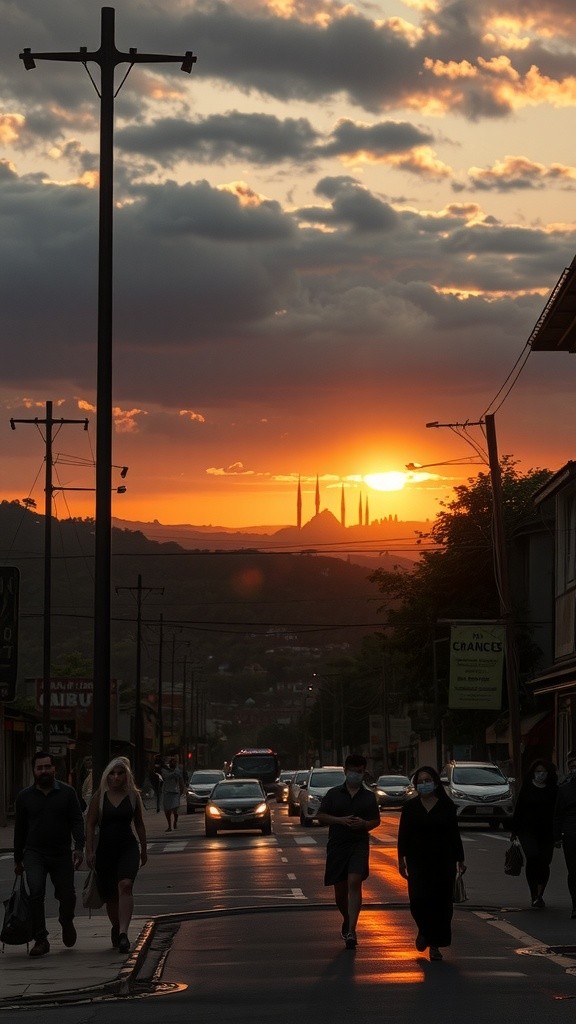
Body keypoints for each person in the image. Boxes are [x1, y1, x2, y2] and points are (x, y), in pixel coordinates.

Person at [13, 750, 85, 958]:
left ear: (54, 769)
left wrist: (79, 847)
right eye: (39, 768)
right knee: (36, 893)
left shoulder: (67, 792)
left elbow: (76, 820)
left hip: (61, 853)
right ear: (34, 771)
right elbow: (20, 830)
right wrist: (18, 860)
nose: (43, 771)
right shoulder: (24, 797)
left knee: (67, 895)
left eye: (47, 767)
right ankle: (41, 939)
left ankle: (66, 921)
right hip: (34, 853)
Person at [397, 765, 465, 962]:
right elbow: (403, 835)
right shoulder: (410, 808)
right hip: (417, 861)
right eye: (420, 781)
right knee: (418, 900)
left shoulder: (446, 806)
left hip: (444, 861)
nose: (424, 784)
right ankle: (424, 930)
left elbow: (454, 834)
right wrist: (401, 859)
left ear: (435, 783)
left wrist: (460, 859)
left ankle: (434, 945)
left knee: (441, 904)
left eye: (427, 780)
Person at [317, 753, 380, 949]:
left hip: (358, 843)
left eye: (360, 772)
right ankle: (347, 918)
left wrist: (364, 824)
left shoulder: (369, 797)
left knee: (354, 881)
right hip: (337, 845)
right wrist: (340, 820)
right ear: (346, 771)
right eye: (353, 771)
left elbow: (375, 820)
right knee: (340, 891)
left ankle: (352, 930)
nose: (356, 775)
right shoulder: (333, 794)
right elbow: (320, 816)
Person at [85, 756, 148, 953]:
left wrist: (144, 848)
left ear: (126, 775)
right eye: (112, 773)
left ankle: (123, 934)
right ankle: (116, 926)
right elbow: (90, 823)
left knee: (126, 885)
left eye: (120, 773)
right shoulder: (99, 797)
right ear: (107, 775)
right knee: (111, 897)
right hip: (105, 850)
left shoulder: (132, 796)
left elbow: (138, 822)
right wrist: (89, 850)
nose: (116, 777)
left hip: (127, 847)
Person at [510, 757, 558, 908]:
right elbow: (519, 809)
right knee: (532, 857)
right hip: (527, 830)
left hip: (547, 832)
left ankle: (540, 893)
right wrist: (514, 831)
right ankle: (533, 894)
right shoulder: (527, 787)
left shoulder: (554, 789)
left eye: (543, 771)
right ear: (533, 773)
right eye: (538, 771)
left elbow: (558, 812)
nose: (541, 774)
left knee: (544, 861)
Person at [553, 750, 576, 918]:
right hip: (571, 835)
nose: (574, 769)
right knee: (574, 872)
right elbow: (558, 814)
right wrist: (557, 836)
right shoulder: (564, 789)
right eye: (572, 766)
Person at [162, 755, 185, 831]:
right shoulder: (165, 770)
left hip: (175, 792)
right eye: (172, 762)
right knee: (167, 810)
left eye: (175, 762)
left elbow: (181, 781)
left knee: (175, 810)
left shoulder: (178, 771)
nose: (173, 764)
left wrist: (181, 790)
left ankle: (175, 821)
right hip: (167, 792)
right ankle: (169, 826)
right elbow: (165, 777)